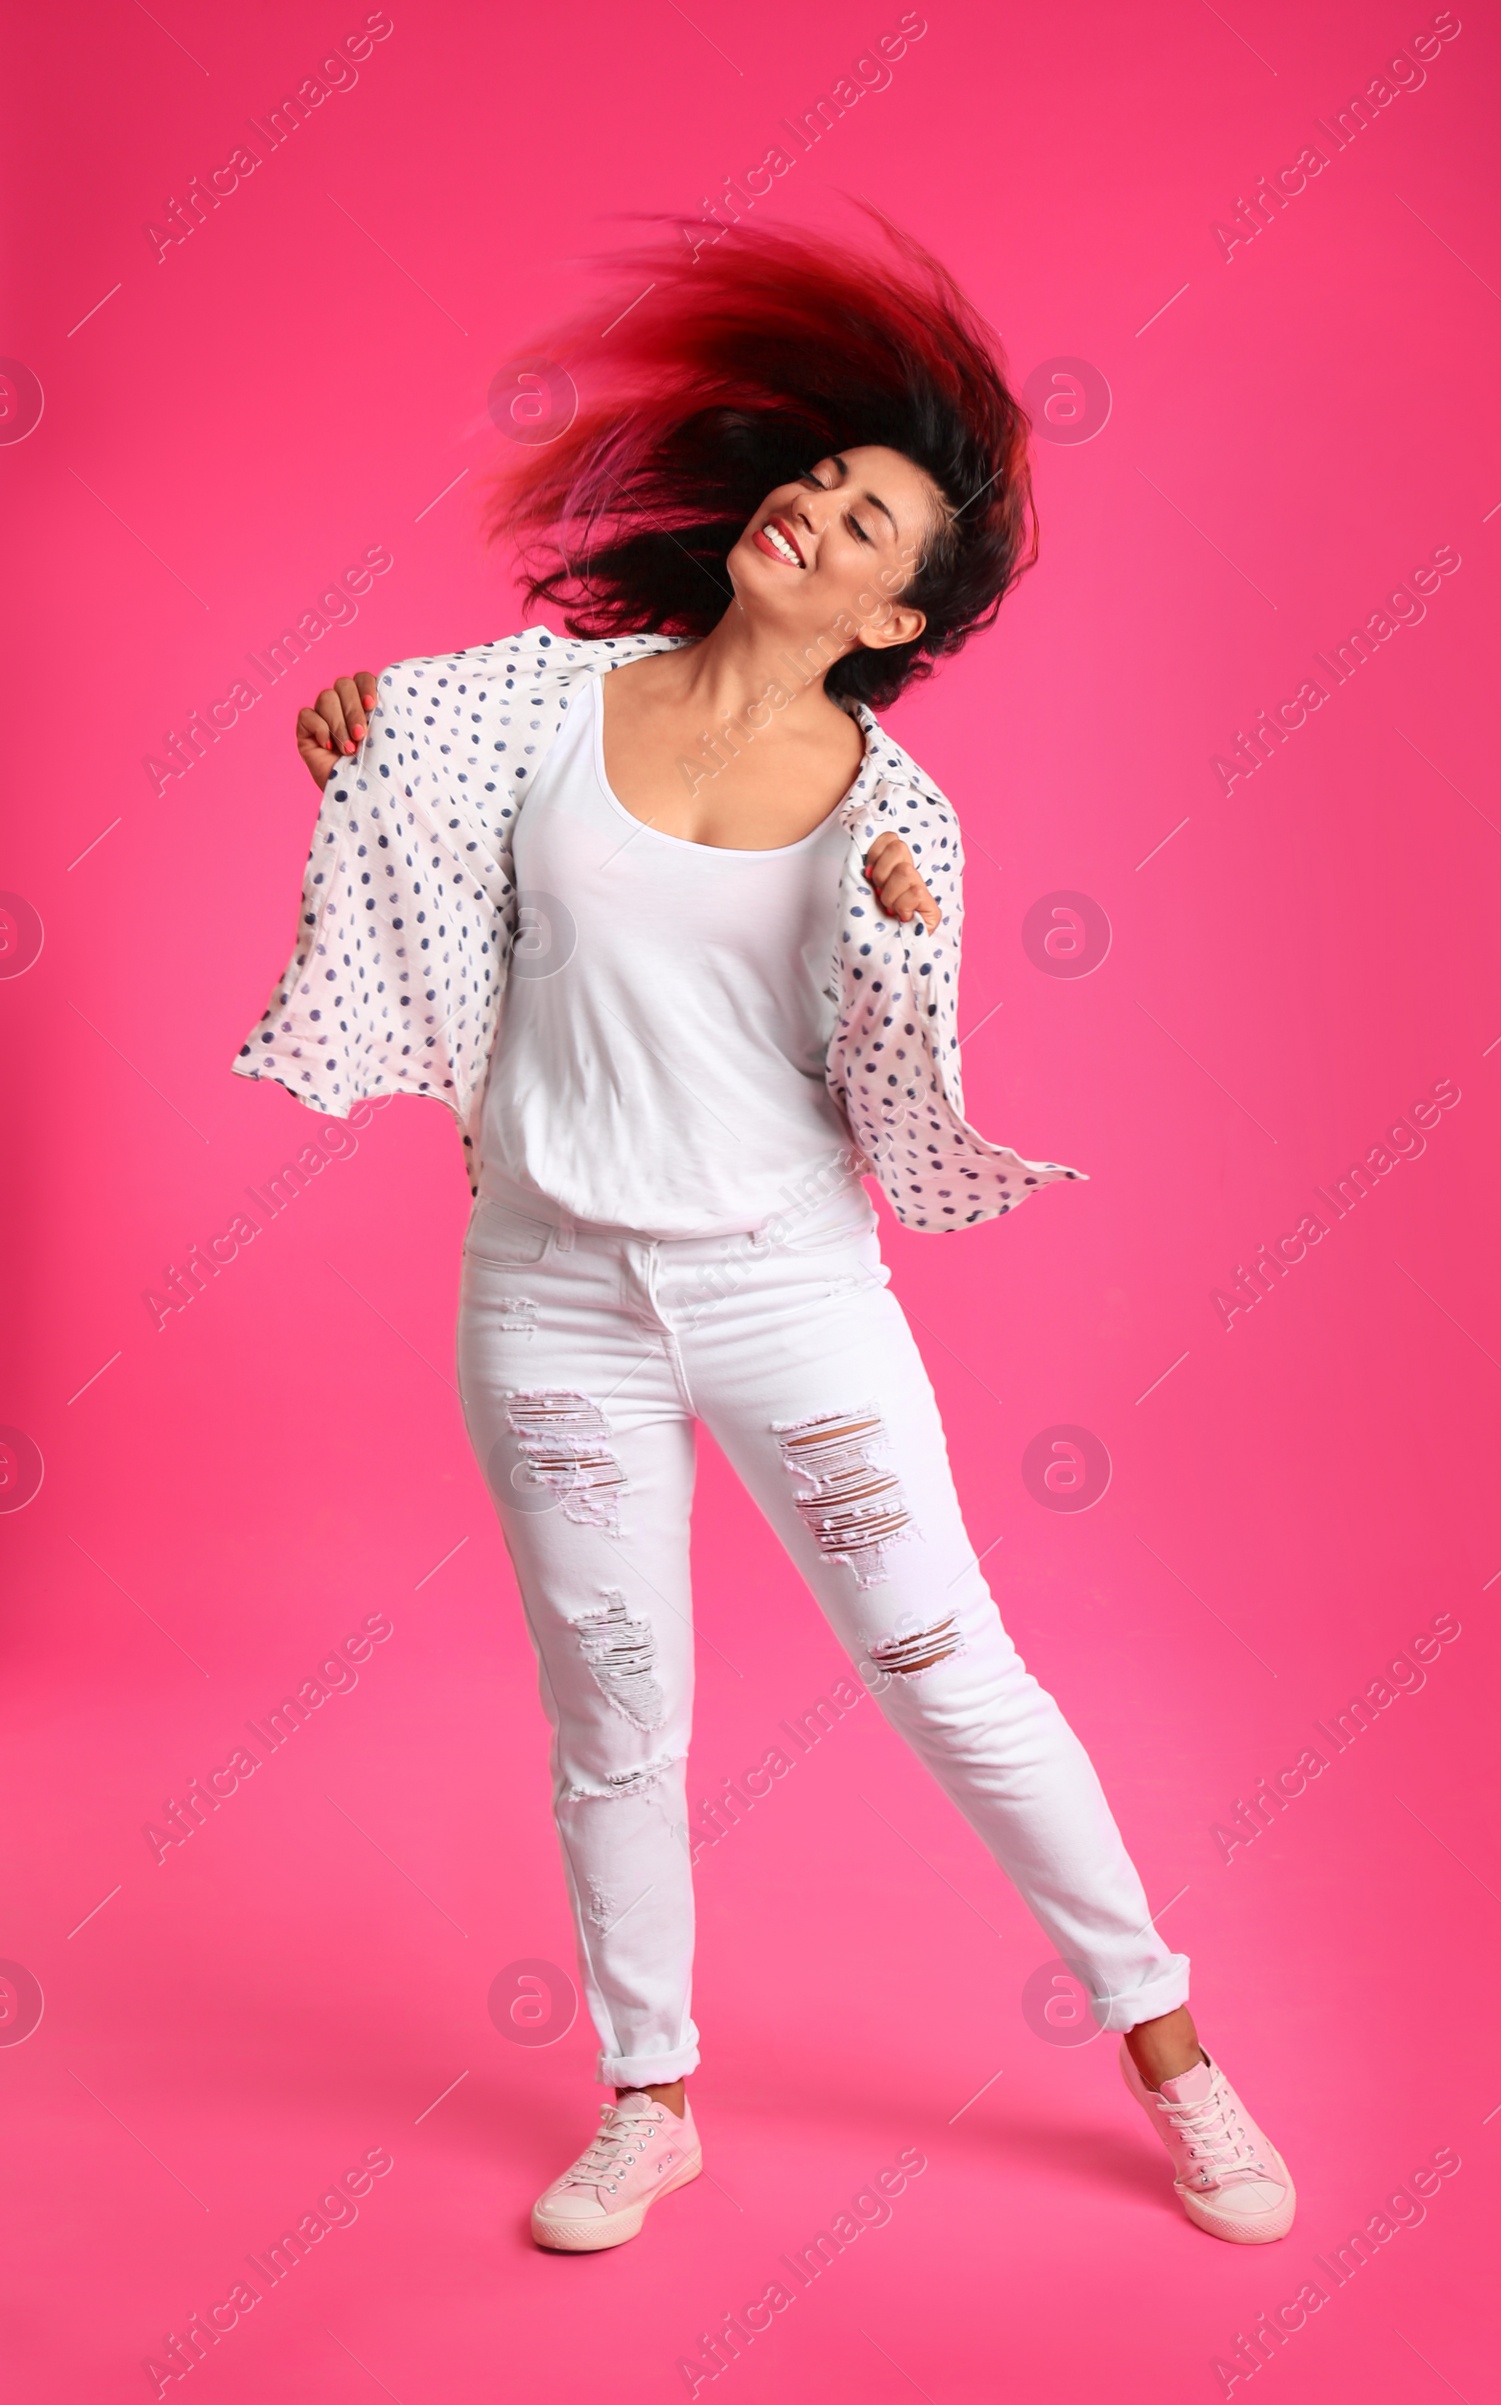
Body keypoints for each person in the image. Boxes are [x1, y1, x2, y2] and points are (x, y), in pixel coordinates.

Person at [234, 216, 1294, 2253]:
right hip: (546, 1292)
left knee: (951, 1675)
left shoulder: (898, 811)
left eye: (864, 516)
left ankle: (1173, 2057)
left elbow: (897, 1078)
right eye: (816, 480)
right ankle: (649, 2101)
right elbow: (382, 763)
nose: (812, 508)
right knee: (614, 1721)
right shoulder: (534, 705)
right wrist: (343, 724)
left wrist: (893, 921)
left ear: (905, 610)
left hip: (783, 1295)